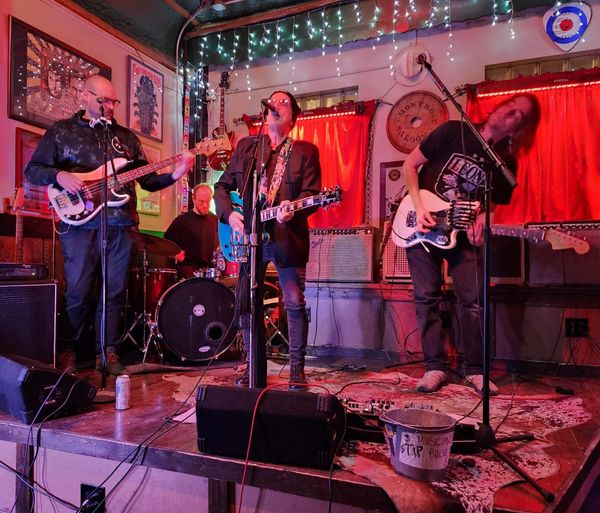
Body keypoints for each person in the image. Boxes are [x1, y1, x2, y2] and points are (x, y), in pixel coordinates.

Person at [25, 74, 194, 374]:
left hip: (122, 224)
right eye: (103, 100)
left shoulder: (125, 138)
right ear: (85, 96)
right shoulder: (62, 132)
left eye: (113, 101)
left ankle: (109, 351)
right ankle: (69, 350)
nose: (110, 106)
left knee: (115, 291)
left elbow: (148, 180)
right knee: (77, 290)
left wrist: (176, 173)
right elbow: (33, 170)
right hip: (79, 223)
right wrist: (59, 175)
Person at [402, 93, 541, 395]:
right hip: (424, 226)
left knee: (474, 301)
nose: (508, 112)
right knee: (426, 299)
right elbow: (410, 165)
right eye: (510, 105)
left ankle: (476, 370)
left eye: (518, 114)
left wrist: (483, 221)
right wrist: (419, 206)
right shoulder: (455, 131)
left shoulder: (506, 164)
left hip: (462, 236)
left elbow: (492, 207)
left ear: (520, 129)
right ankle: (434, 367)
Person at [214, 90, 322, 390]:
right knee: (247, 301)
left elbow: (312, 194)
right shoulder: (248, 147)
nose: (277, 104)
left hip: (287, 237)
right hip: (250, 238)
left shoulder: (305, 151)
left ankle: (297, 369)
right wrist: (229, 215)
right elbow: (222, 187)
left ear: (293, 118)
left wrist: (292, 210)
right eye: (274, 101)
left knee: (293, 301)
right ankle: (252, 363)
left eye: (285, 102)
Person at [164, 183, 219, 279]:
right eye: (201, 202)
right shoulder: (182, 220)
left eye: (208, 202)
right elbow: (166, 244)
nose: (205, 205)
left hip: (210, 270)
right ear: (193, 199)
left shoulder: (215, 220)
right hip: (188, 270)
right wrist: (175, 254)